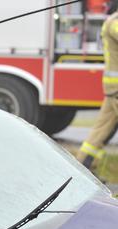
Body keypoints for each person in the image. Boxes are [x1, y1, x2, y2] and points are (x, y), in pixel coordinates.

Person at [77, 0, 118, 171]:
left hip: (114, 89)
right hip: (117, 88)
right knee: (101, 129)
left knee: (100, 131)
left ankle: (81, 171)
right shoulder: (114, 22)